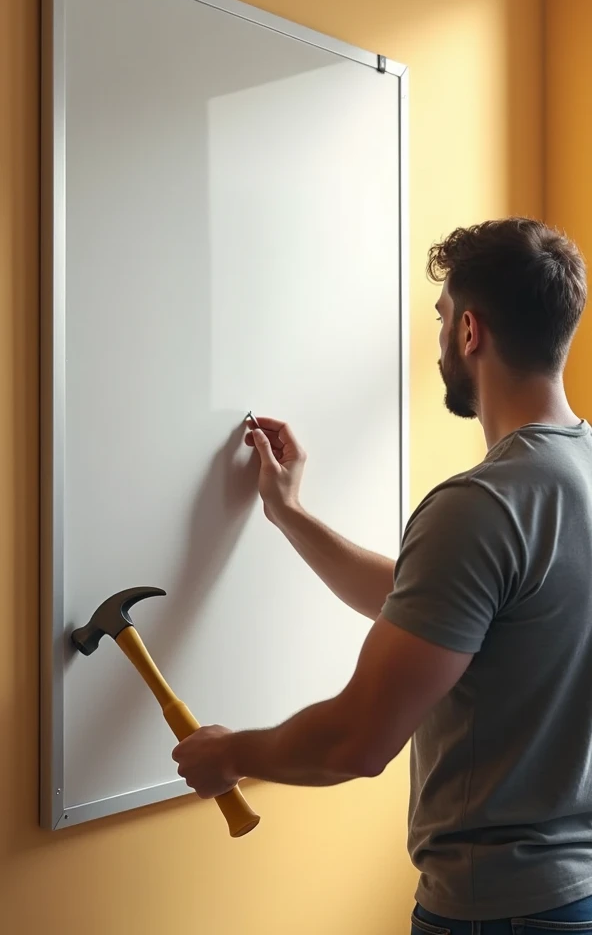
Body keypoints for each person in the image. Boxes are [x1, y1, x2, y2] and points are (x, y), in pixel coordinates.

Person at [173, 218, 592, 933]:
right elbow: (448, 613)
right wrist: (290, 515)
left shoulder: (482, 506)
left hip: (499, 911)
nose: (436, 344)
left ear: (469, 331)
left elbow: (357, 743)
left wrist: (232, 754)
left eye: (439, 320)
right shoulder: (564, 481)